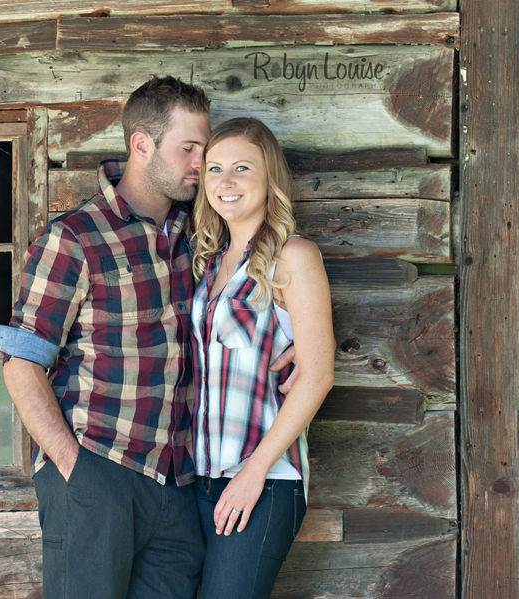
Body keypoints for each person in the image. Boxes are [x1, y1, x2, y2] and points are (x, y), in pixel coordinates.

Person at [0, 76, 211, 599]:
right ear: (142, 144)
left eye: (205, 148)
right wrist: (75, 468)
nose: (201, 162)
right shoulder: (74, 238)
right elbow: (21, 363)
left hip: (177, 485)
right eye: (189, 148)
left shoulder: (198, 233)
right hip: (99, 472)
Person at [189, 117, 336, 599]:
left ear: (270, 179)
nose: (225, 182)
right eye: (214, 169)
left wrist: (253, 473)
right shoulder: (207, 263)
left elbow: (316, 375)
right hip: (199, 479)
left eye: (241, 169)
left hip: (265, 480)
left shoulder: (293, 257)